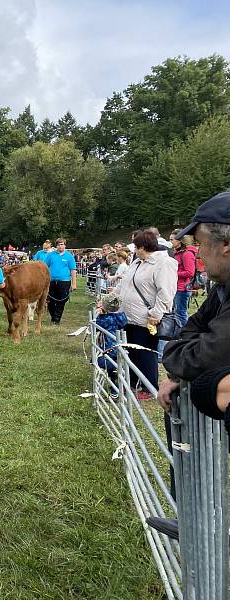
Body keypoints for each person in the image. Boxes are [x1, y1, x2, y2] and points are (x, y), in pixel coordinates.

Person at [148, 190, 230, 541]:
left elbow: (201, 355)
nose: (198, 256)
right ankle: (195, 519)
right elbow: (187, 333)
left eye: (200, 245)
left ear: (226, 244)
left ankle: (209, 530)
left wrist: (183, 363)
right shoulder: (222, 289)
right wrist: (181, 367)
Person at [114, 229, 177, 401]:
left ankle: (150, 387)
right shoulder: (137, 262)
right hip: (129, 317)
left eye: (136, 246)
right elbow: (125, 284)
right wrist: (111, 300)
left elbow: (166, 292)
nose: (134, 250)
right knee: (131, 352)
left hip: (146, 319)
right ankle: (133, 382)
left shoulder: (164, 263)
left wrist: (156, 314)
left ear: (144, 246)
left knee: (146, 353)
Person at [95, 291, 128, 398]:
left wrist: (100, 314)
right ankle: (117, 387)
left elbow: (97, 326)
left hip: (109, 348)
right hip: (120, 347)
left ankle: (115, 389)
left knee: (110, 368)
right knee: (117, 368)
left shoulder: (106, 319)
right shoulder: (121, 316)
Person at [43, 238, 77, 325]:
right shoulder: (50, 255)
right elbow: (44, 268)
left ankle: (57, 319)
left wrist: (74, 284)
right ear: (56, 246)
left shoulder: (69, 256)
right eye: (58, 244)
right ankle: (53, 316)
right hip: (51, 281)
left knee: (61, 301)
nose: (60, 246)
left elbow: (73, 270)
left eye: (62, 244)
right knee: (50, 300)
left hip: (64, 281)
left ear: (65, 245)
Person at [169, 229, 197, 327]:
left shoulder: (187, 254)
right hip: (177, 287)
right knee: (177, 313)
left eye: (172, 239)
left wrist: (173, 273)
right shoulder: (178, 253)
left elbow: (190, 273)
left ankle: (185, 335)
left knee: (180, 314)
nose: (170, 242)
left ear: (180, 240)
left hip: (182, 288)